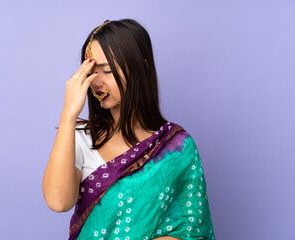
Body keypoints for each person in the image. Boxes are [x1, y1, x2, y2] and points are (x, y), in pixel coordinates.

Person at [42, 19, 215, 240]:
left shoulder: (177, 147)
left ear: (140, 67)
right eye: (91, 72)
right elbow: (58, 201)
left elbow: (193, 230)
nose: (96, 82)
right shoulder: (79, 137)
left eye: (106, 70)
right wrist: (68, 114)